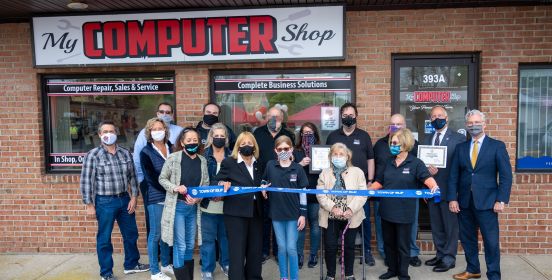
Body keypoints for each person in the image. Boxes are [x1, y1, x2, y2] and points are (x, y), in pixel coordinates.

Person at [80, 121, 150, 280]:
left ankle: (131, 264)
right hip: (104, 202)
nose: (108, 134)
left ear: (116, 133)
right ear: (99, 135)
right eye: (105, 131)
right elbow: (86, 181)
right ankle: (106, 273)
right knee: (104, 238)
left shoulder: (125, 153)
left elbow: (132, 177)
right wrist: (89, 204)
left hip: (124, 199)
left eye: (111, 130)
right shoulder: (93, 155)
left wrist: (134, 197)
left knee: (131, 234)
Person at [448, 110, 512, 280]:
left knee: (491, 242)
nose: (473, 125)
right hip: (464, 202)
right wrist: (452, 198)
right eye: (469, 123)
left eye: (477, 122)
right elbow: (454, 175)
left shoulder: (497, 146)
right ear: (466, 126)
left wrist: (501, 199)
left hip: (488, 203)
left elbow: (506, 176)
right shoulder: (461, 148)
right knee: (468, 239)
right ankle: (473, 269)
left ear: (484, 124)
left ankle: (494, 275)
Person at [369, 128, 439, 280]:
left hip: (404, 212)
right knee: (389, 243)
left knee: (403, 245)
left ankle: (403, 273)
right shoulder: (388, 162)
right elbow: (379, 182)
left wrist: (434, 187)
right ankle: (392, 270)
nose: (392, 145)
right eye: (391, 143)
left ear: (405, 144)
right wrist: (365, 191)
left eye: (395, 143)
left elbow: (427, 179)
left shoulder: (415, 163)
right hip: (386, 210)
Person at [326, 103, 375, 265]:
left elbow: (370, 160)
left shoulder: (364, 136)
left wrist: (370, 182)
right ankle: (343, 253)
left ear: (356, 116)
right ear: (341, 116)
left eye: (351, 115)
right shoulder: (333, 136)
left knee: (363, 220)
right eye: (345, 115)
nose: (348, 117)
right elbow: (327, 161)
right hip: (338, 189)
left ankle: (366, 251)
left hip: (360, 188)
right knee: (339, 220)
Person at [159, 127, 209, 280]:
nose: (192, 143)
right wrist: (175, 188)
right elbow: (162, 178)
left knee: (189, 245)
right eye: (189, 140)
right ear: (182, 142)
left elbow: (205, 185)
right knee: (180, 246)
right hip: (177, 208)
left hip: (193, 208)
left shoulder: (202, 160)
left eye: (195, 140)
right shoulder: (173, 158)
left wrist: (198, 198)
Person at [372, 114, 421, 267]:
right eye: (393, 124)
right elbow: (374, 166)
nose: (396, 127)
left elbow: (421, 168)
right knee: (383, 226)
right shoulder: (379, 144)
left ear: (405, 125)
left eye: (399, 124)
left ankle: (411, 253)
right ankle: (386, 253)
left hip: (408, 194)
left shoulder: (415, 144)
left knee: (410, 226)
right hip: (383, 193)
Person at [217, 132, 264, 280]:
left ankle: (254, 277)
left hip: (256, 212)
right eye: (243, 144)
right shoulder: (229, 163)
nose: (246, 146)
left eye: (250, 143)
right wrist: (221, 184)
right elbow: (216, 181)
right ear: (238, 146)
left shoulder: (260, 163)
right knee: (237, 252)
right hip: (235, 214)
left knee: (255, 251)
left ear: (254, 146)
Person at [423, 106, 465, 273]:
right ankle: (440, 254)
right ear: (430, 120)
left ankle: (449, 258)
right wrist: (427, 173)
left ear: (447, 118)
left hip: (449, 191)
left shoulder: (458, 138)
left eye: (440, 115)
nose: (436, 118)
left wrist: (457, 193)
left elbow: (461, 167)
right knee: (436, 225)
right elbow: (422, 166)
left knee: (450, 226)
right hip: (432, 190)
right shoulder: (427, 138)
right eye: (433, 116)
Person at [317, 143, 368, 280]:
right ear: (330, 157)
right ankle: (330, 275)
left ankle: (349, 274)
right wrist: (333, 207)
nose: (338, 157)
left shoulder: (357, 172)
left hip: (352, 216)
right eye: (335, 154)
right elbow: (320, 194)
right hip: (330, 216)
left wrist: (351, 209)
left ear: (347, 156)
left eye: (341, 154)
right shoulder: (324, 173)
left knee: (349, 246)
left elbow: (363, 194)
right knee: (330, 246)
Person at [261, 135, 308, 280]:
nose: (283, 151)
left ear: (291, 149)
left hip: (294, 215)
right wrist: (263, 186)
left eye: (286, 148)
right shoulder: (270, 165)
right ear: (275, 150)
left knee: (291, 248)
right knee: (281, 248)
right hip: (276, 214)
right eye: (280, 149)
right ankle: (284, 277)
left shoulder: (298, 168)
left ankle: (294, 277)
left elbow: (303, 193)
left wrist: (303, 215)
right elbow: (264, 180)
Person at [134, 102, 183, 237]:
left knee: (172, 218)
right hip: (151, 184)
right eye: (162, 111)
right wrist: (142, 180)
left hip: (175, 184)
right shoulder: (144, 133)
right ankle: (158, 253)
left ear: (172, 115)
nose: (164, 114)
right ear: (157, 113)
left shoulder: (179, 131)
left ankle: (170, 253)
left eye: (168, 112)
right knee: (154, 220)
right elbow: (138, 158)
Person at [254, 106, 295, 262]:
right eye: (270, 116)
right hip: (263, 185)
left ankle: (279, 252)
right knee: (264, 220)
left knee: (280, 220)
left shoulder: (289, 134)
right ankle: (264, 251)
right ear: (266, 117)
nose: (273, 119)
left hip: (283, 184)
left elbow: (293, 157)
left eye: (277, 117)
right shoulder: (257, 133)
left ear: (282, 119)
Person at [140, 118, 175, 280]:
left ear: (165, 130)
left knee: (168, 233)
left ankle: (166, 264)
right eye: (154, 128)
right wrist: (170, 188)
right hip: (156, 197)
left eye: (160, 128)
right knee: (156, 234)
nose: (158, 131)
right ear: (149, 132)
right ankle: (155, 271)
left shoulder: (171, 147)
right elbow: (150, 177)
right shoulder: (145, 152)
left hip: (173, 197)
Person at [200, 123, 231, 280]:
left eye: (222, 136)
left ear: (226, 138)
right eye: (216, 136)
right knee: (208, 240)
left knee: (226, 239)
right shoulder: (203, 155)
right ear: (211, 137)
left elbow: (236, 179)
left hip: (228, 206)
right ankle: (207, 269)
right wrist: (214, 191)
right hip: (208, 206)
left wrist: (224, 193)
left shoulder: (232, 155)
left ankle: (226, 264)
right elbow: (200, 179)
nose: (219, 138)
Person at [294, 122, 322, 269]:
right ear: (301, 135)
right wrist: (300, 164)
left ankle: (313, 254)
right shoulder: (296, 151)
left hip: (316, 193)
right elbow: (289, 171)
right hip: (300, 194)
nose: (307, 135)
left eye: (310, 132)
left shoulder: (321, 150)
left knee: (316, 226)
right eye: (305, 133)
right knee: (300, 226)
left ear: (315, 134)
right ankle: (299, 255)